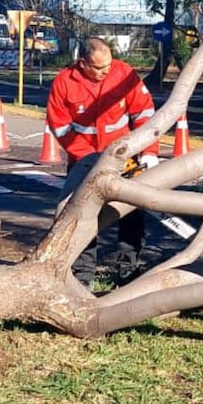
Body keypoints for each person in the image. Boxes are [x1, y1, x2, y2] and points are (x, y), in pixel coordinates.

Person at [47, 36, 162, 286]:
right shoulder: (65, 83)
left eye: (108, 65)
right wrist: (91, 161)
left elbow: (144, 114)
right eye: (99, 68)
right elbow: (61, 128)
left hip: (125, 161)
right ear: (83, 63)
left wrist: (149, 152)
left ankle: (126, 272)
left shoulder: (123, 74)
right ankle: (82, 276)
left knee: (130, 216)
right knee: (82, 218)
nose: (106, 71)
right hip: (84, 162)